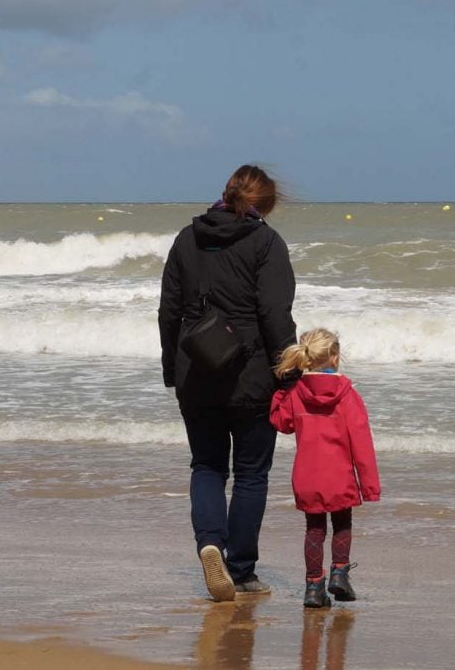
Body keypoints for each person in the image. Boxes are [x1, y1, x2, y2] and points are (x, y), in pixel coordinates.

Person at [159, 165, 296, 602]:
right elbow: (276, 316)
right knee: (252, 475)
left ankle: (209, 543)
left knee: (207, 466)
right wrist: (288, 371)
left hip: (195, 372)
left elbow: (168, 312)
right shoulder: (266, 243)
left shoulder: (187, 238)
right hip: (252, 375)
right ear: (267, 204)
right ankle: (240, 571)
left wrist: (172, 369)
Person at [269, 328, 381, 608]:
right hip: (339, 474)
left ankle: (313, 586)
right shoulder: (347, 395)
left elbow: (281, 424)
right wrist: (369, 485)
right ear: (335, 355)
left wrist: (281, 392)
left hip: (306, 475)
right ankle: (339, 573)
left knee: (314, 530)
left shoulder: (295, 393)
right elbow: (361, 442)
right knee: (342, 523)